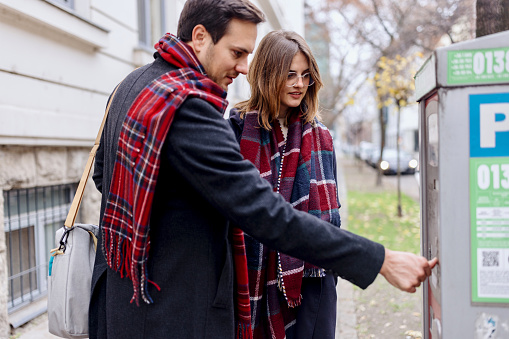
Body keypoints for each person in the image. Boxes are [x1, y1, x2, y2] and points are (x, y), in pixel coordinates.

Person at [89, 0, 437, 338]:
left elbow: (105, 177)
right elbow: (265, 212)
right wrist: (380, 259)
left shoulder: (132, 86)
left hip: (121, 298)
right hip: (172, 307)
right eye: (237, 53)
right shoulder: (188, 107)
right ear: (199, 37)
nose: (243, 68)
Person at [229, 30, 339, 339]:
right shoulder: (236, 130)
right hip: (249, 278)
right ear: (267, 73)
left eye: (305, 75)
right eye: (289, 74)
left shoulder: (320, 137)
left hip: (311, 284)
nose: (299, 84)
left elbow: (331, 217)